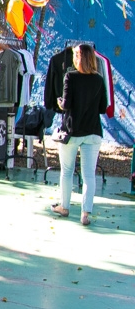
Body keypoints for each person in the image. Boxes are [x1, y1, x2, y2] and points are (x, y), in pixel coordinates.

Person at [51, 44, 107, 226]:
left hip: (72, 131)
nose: (74, 58)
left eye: (75, 55)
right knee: (89, 175)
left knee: (67, 171)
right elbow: (102, 108)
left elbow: (66, 105)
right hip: (93, 131)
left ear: (79, 57)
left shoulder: (70, 77)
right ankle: (85, 214)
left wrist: (60, 103)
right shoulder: (99, 79)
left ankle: (65, 207)